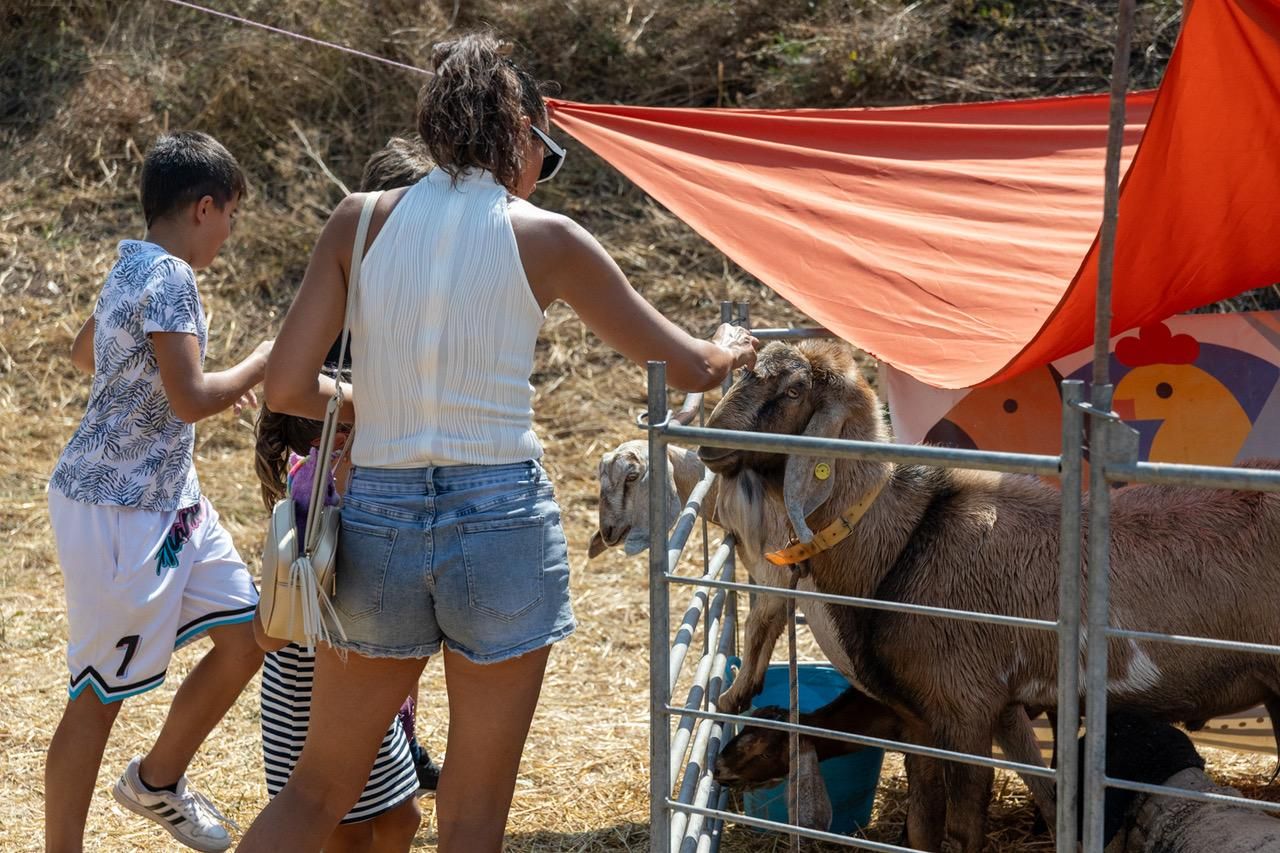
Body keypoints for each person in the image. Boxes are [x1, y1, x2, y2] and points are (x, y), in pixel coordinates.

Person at [237, 33, 757, 853]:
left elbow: (290, 388)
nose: (538, 172)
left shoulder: (358, 220)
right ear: (516, 130)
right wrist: (729, 346)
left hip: (379, 517)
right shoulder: (546, 238)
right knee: (474, 813)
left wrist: (376, 403)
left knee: (315, 789)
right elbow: (687, 364)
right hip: (501, 516)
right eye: (543, 155)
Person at [45, 131, 271, 853]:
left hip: (173, 502)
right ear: (204, 207)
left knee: (249, 634)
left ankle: (157, 780)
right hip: (117, 512)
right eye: (230, 213)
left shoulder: (129, 264)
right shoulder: (171, 276)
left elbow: (89, 351)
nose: (230, 232)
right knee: (96, 696)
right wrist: (258, 362)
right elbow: (192, 399)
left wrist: (174, 379)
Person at [253, 378, 422, 852]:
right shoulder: (310, 516)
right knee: (344, 834)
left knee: (401, 817)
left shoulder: (367, 509)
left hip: (364, 690)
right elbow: (267, 636)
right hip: (308, 700)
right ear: (336, 446)